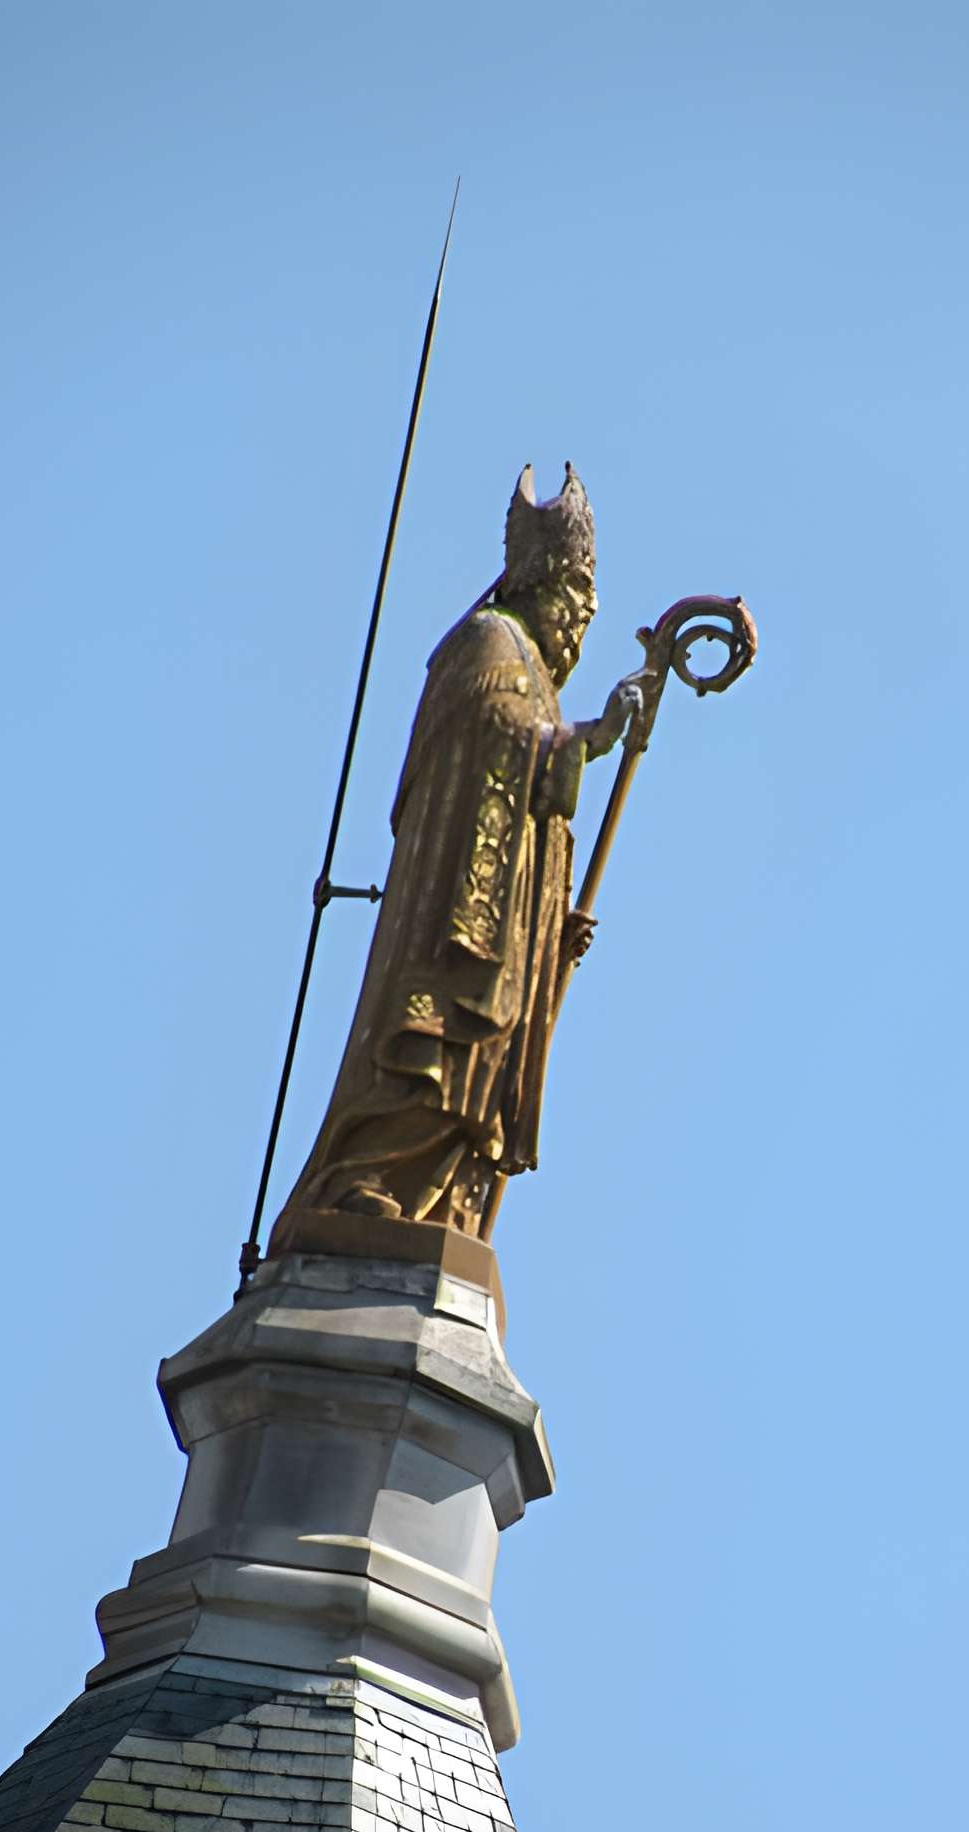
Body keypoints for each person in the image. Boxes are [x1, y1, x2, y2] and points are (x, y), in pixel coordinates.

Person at [269, 465, 635, 1249]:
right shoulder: (487, 642)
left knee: (482, 1066)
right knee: (433, 1043)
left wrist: (551, 921)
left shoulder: (540, 678)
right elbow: (486, 750)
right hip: (449, 917)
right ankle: (364, 1180)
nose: (581, 627)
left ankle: (440, 1202)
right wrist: (588, 740)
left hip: (509, 922)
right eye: (577, 605)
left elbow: (538, 809)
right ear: (539, 581)